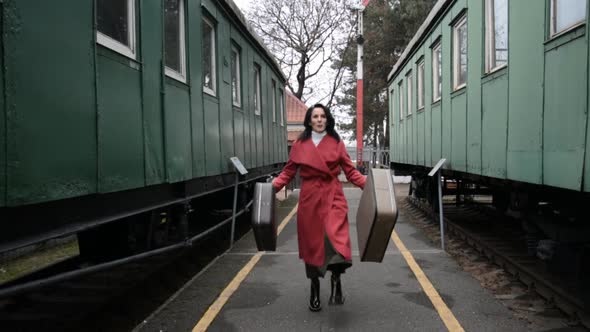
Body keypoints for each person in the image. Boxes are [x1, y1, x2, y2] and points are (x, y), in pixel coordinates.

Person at [272, 103, 366, 312]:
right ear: (309, 120)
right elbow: (288, 173)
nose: (319, 120)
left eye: (323, 116)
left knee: (337, 239)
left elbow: (351, 172)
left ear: (327, 119)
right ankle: (314, 287)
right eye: (315, 116)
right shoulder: (299, 144)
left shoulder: (336, 142)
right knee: (312, 245)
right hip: (310, 199)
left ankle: (336, 278)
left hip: (333, 196)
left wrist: (370, 186)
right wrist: (272, 187)